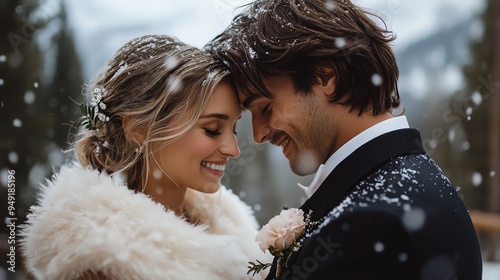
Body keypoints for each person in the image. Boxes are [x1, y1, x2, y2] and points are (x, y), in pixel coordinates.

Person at [206, 0, 483, 279]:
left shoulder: (369, 225)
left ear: (325, 76)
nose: (259, 134)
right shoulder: (411, 182)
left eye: (265, 107)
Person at [20, 34, 271, 280]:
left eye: (234, 129)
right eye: (212, 129)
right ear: (139, 130)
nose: (233, 149)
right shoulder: (102, 264)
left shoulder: (236, 235)